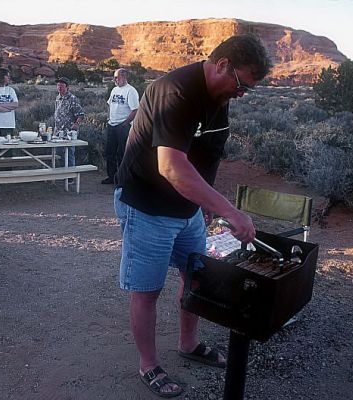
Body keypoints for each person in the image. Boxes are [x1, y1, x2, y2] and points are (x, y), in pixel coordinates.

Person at [113, 34, 271, 398]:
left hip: (186, 209)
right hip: (146, 204)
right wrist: (229, 210)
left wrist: (205, 206)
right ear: (221, 65)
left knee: (195, 277)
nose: (243, 93)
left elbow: (204, 156)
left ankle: (187, 344)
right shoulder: (176, 91)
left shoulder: (220, 95)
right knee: (147, 289)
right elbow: (171, 166)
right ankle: (149, 365)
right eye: (242, 84)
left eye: (249, 88)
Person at [101, 68, 139, 184]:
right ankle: (111, 176)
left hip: (123, 126)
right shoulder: (114, 90)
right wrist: (109, 118)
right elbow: (110, 105)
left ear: (124, 77)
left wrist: (125, 123)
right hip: (112, 125)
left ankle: (122, 178)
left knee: (122, 153)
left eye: (117, 77)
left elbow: (135, 110)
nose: (115, 80)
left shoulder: (130, 91)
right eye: (114, 77)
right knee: (109, 152)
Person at [54, 77, 84, 167]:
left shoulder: (72, 99)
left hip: (69, 132)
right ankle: (63, 173)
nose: (59, 87)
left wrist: (76, 124)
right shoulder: (57, 98)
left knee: (69, 153)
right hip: (58, 131)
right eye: (58, 85)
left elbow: (81, 114)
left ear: (67, 87)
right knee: (59, 153)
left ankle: (70, 177)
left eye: (62, 86)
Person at [0, 68, 18, 137]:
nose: (9, 78)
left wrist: (0, 105)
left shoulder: (11, 90)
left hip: (9, 124)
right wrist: (8, 109)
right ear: (1, 76)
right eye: (7, 76)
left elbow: (15, 104)